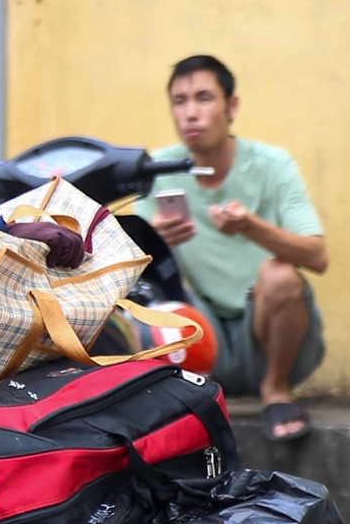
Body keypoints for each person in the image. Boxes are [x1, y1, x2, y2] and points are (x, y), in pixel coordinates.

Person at [135, 55, 329, 441]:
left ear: (232, 106)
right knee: (140, 296)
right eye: (180, 101)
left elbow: (318, 256)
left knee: (280, 276)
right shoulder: (158, 168)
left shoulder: (272, 165)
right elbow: (120, 260)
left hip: (269, 336)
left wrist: (251, 227)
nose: (191, 113)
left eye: (204, 98)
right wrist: (151, 239)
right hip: (202, 334)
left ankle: (275, 392)